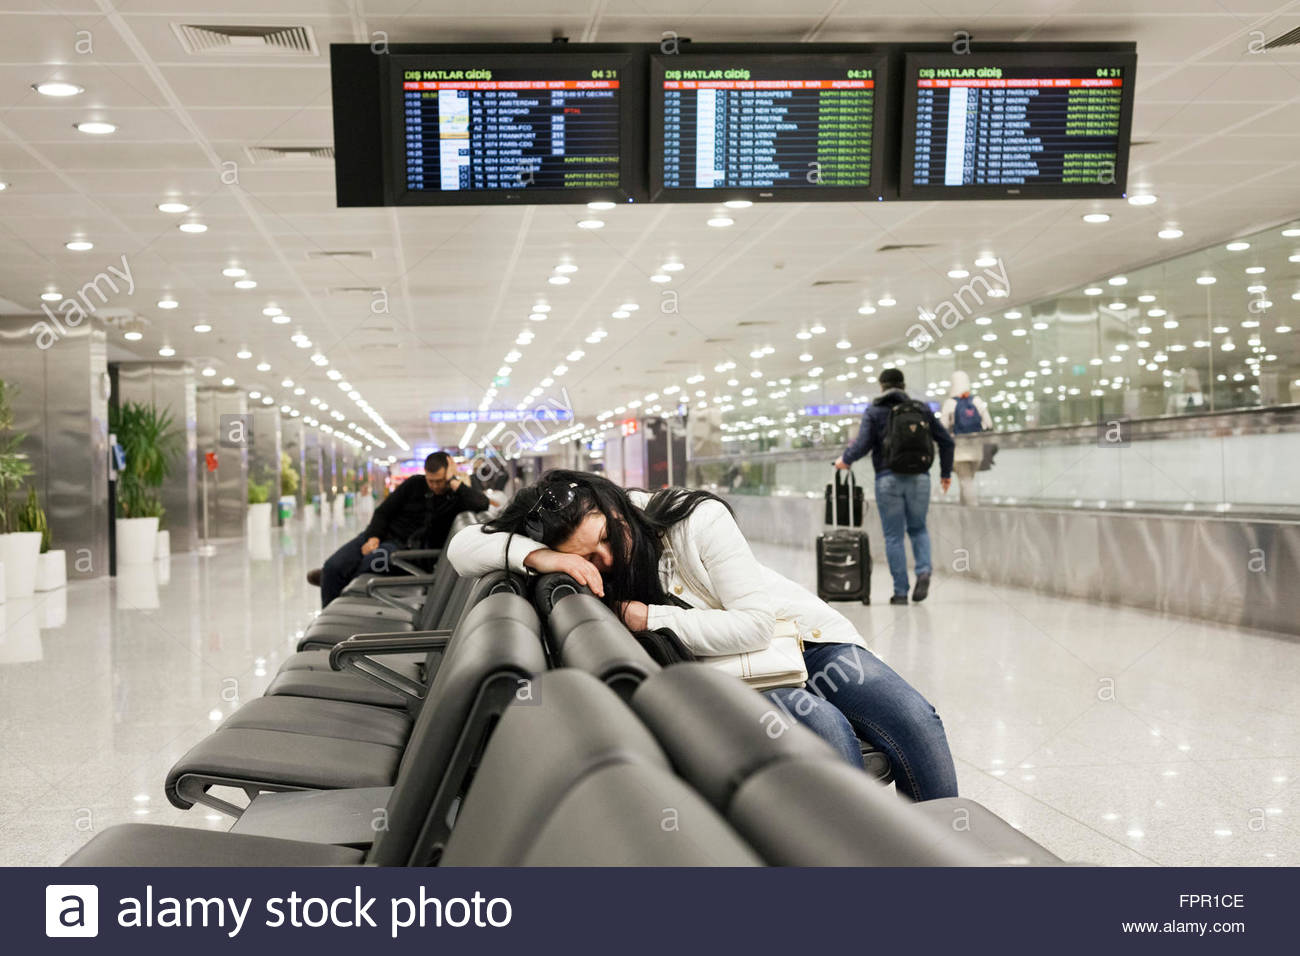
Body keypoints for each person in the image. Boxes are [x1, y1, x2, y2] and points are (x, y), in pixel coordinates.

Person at [447, 470, 958, 802]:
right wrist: (542, 557)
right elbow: (464, 547)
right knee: (829, 729)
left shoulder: (692, 518)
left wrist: (651, 618)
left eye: (605, 537)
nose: (607, 558)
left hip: (802, 638)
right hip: (737, 672)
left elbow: (755, 623)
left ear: (615, 504)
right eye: (588, 557)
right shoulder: (570, 556)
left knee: (917, 720)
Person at [833, 367, 954, 605]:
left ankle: (900, 592)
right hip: (920, 478)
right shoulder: (921, 409)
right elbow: (947, 442)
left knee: (893, 537)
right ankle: (924, 571)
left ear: (882, 386)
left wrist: (845, 460)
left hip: (888, 479)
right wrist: (945, 473)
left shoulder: (874, 410)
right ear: (904, 386)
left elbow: (863, 444)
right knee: (918, 529)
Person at [308, 452, 488, 607]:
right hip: (380, 535)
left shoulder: (456, 496)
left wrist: (453, 481)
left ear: (449, 474)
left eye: (440, 481)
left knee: (371, 560)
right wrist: (373, 537)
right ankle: (329, 599)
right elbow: (383, 512)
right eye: (431, 480)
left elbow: (482, 503)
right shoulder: (415, 484)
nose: (435, 485)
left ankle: (337, 592)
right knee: (333, 566)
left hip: (404, 551)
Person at [939, 370, 993, 506]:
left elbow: (942, 426)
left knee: (965, 481)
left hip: (959, 450)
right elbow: (989, 424)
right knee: (967, 480)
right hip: (977, 450)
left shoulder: (950, 403)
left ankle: (973, 512)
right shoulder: (977, 401)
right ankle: (965, 511)